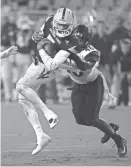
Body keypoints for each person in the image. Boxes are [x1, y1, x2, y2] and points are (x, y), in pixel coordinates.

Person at [41, 24, 127, 157]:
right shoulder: (67, 47)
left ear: (87, 40)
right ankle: (109, 127)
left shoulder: (92, 53)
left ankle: (119, 140)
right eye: (76, 38)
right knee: (80, 119)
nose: (77, 42)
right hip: (78, 85)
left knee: (92, 117)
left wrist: (65, 56)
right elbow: (51, 52)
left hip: (93, 84)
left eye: (80, 40)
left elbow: (83, 67)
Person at [16, 8, 90, 155]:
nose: (61, 28)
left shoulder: (73, 41)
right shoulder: (50, 20)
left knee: (20, 86)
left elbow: (52, 65)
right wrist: (36, 36)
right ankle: (40, 135)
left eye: (65, 25)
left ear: (71, 24)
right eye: (59, 25)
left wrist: (40, 48)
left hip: (48, 67)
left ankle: (48, 113)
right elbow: (40, 34)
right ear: (55, 21)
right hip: (37, 63)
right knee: (22, 99)